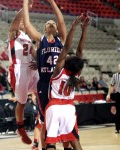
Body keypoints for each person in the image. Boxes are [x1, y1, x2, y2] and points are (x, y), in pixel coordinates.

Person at [23, 0, 66, 149]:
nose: (52, 23)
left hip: (58, 83)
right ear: (45, 28)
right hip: (44, 83)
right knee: (44, 118)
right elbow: (27, 25)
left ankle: (61, 142)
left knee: (59, 116)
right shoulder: (41, 40)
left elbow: (60, 20)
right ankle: (46, 146)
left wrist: (52, 2)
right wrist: (25, 2)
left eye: (53, 23)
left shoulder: (61, 40)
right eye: (49, 23)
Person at [44, 15, 89, 150]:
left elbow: (66, 47)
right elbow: (80, 51)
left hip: (54, 106)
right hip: (69, 108)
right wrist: (84, 30)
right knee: (74, 140)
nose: (69, 55)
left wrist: (73, 27)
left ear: (67, 62)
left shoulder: (58, 71)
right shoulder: (76, 73)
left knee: (51, 142)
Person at [8, 8, 39, 145]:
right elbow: (14, 24)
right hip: (18, 68)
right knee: (22, 101)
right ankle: (20, 128)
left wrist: (38, 62)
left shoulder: (27, 37)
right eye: (20, 21)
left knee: (43, 90)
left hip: (31, 67)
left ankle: (42, 117)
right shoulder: (13, 34)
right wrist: (24, 7)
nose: (22, 22)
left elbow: (33, 52)